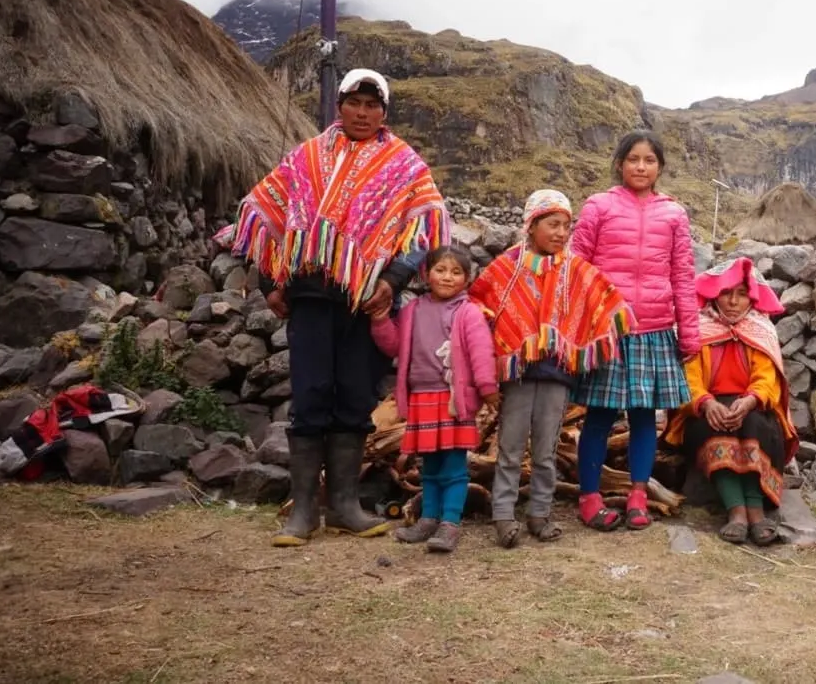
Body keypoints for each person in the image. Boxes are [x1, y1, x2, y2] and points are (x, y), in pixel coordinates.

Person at [217, 67, 450, 548]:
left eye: (372, 105)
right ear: (339, 105)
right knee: (311, 393)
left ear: (384, 112)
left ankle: (344, 505)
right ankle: (303, 510)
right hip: (309, 294)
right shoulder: (306, 157)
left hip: (365, 301)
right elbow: (268, 214)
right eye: (354, 103)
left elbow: (422, 227)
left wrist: (392, 278)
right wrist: (269, 281)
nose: (362, 113)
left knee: (354, 394)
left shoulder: (403, 164)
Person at [470, 189, 632, 548]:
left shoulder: (576, 271)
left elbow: (608, 303)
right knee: (510, 448)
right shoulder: (506, 269)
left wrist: (612, 324)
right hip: (518, 375)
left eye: (565, 226)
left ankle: (539, 514)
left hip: (558, 375)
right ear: (531, 225)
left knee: (545, 449)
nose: (560, 233)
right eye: (552, 224)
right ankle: (503, 515)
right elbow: (478, 302)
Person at [569, 130, 701, 532]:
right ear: (620, 163)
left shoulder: (673, 214)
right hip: (608, 330)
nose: (641, 167)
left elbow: (682, 275)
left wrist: (690, 333)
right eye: (633, 159)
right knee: (600, 416)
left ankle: (638, 496)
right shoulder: (598, 207)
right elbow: (575, 269)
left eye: (649, 160)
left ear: (659, 166)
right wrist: (580, 326)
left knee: (645, 418)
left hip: (656, 329)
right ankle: (589, 497)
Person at [663, 257, 798, 546]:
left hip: (752, 409)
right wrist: (706, 404)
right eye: (726, 293)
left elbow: (767, 380)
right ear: (714, 295)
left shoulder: (760, 330)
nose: (734, 302)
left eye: (741, 294)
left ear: (752, 297)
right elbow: (689, 380)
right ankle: (735, 511)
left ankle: (756, 512)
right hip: (705, 410)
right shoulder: (697, 330)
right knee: (714, 428)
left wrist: (750, 401)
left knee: (754, 426)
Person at [370, 245, 496, 553]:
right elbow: (395, 345)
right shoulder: (414, 310)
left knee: (453, 466)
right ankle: (428, 519)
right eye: (441, 270)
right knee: (429, 465)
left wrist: (487, 387)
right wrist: (381, 321)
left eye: (456, 272)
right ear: (426, 274)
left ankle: (450, 524)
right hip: (422, 397)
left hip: (453, 400)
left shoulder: (468, 313)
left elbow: (481, 352)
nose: (447, 277)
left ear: (467, 279)